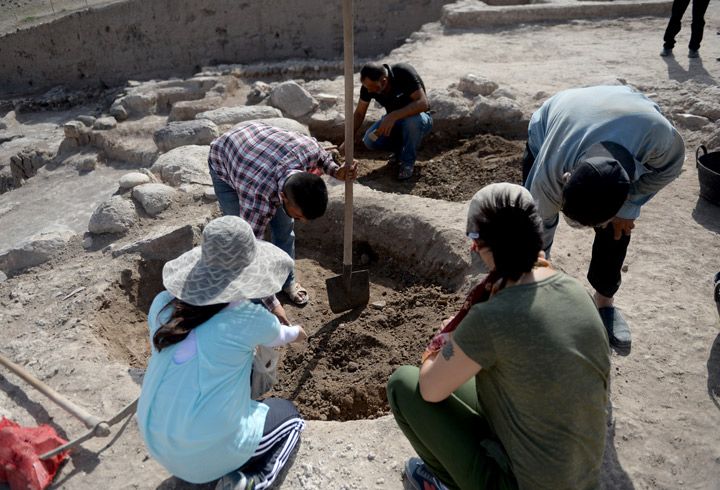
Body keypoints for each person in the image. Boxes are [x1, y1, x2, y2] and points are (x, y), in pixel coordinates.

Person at [387, 183, 610, 490]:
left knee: (404, 385)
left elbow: (430, 389)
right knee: (470, 374)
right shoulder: (573, 289)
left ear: (479, 245)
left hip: (525, 483)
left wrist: (446, 340)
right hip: (580, 474)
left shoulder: (491, 317)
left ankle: (446, 483)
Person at [136, 216, 307, 490]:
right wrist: (299, 332)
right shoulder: (245, 319)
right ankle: (251, 482)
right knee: (290, 417)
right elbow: (283, 335)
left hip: (155, 437)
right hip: (204, 454)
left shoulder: (162, 305)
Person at [523, 85, 685, 349]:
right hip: (555, 119)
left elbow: (669, 170)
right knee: (530, 236)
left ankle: (605, 300)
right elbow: (539, 227)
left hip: (629, 114)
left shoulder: (660, 139)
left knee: (619, 229)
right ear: (567, 178)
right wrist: (535, 278)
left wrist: (629, 206)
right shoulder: (551, 170)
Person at [208, 121, 356, 314]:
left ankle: (287, 281)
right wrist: (272, 304)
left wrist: (336, 170)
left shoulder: (306, 149)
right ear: (283, 198)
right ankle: (252, 298)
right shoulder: (258, 198)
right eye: (300, 215)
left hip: (259, 143)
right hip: (225, 158)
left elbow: (322, 156)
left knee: (284, 229)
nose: (302, 221)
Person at [340, 62, 432, 180]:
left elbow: (423, 103)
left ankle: (407, 163)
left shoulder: (403, 73)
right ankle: (398, 153)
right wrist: (347, 139)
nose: (369, 92)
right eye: (367, 88)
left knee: (412, 122)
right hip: (394, 121)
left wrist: (393, 115)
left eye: (372, 88)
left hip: (420, 119)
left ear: (383, 81)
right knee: (369, 140)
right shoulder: (369, 87)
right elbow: (359, 113)